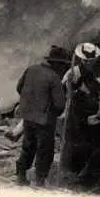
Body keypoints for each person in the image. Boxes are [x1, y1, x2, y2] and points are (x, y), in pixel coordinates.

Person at [15, 46, 71, 187]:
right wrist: (52, 113)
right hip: (44, 120)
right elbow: (59, 104)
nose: (63, 68)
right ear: (57, 63)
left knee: (28, 145)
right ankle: (40, 179)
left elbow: (19, 87)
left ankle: (21, 176)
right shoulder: (54, 77)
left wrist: (29, 102)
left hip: (27, 115)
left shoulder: (31, 69)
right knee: (44, 149)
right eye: (63, 65)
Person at [60, 42, 100, 174]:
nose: (88, 63)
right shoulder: (73, 72)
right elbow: (65, 93)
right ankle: (72, 171)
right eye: (85, 61)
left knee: (97, 139)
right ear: (81, 59)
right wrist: (69, 85)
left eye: (91, 61)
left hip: (95, 110)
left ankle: (94, 172)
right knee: (76, 140)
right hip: (77, 113)